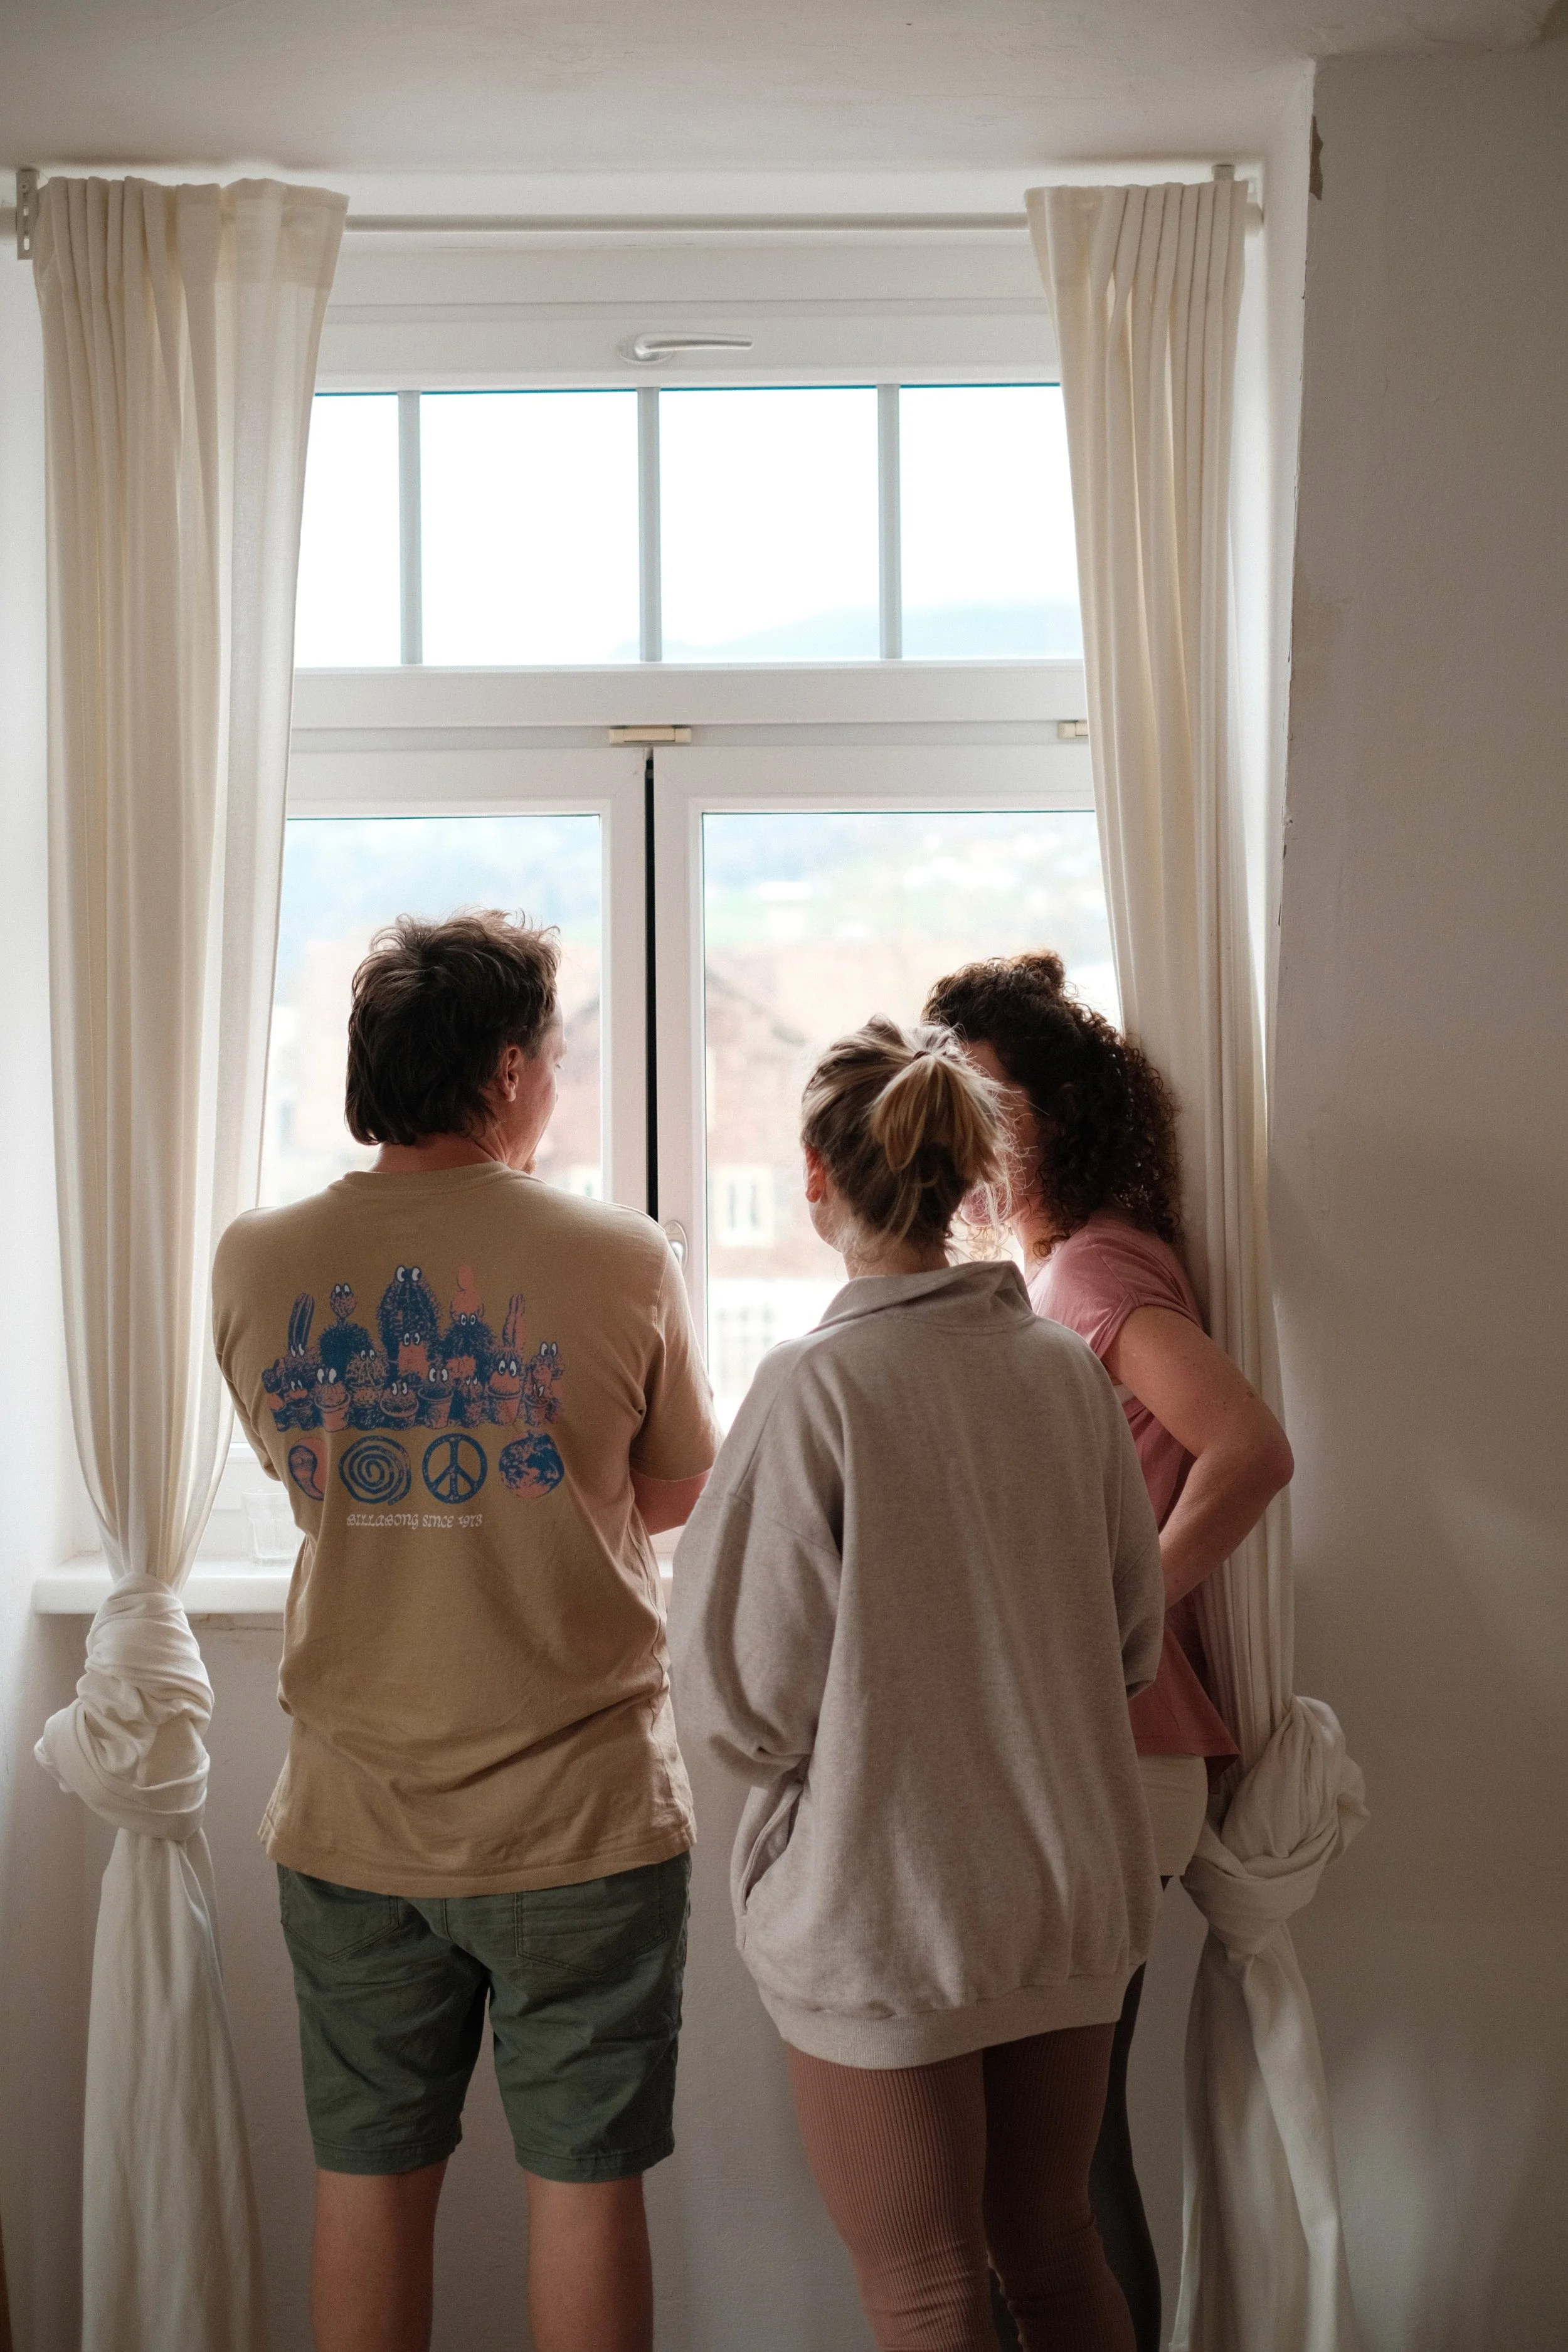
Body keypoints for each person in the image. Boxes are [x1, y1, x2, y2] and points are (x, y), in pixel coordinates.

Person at [213, 911, 718, 2352]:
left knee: (368, 2184)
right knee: (585, 2187)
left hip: (353, 1813)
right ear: (505, 1071)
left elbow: (308, 1475)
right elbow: (671, 1492)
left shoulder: (258, 1258)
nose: (554, 1082)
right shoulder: (621, 1255)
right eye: (552, 1057)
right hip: (583, 1818)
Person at [669, 1015, 1165, 2352]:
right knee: (1055, 2255)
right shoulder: (1062, 1369)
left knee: (929, 2292)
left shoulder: (814, 1385)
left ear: (815, 1175)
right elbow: (1132, 1640)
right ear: (963, 1180)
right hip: (1061, 1898)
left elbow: (740, 1699)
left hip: (887, 1910)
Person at [923, 950, 1294, 2352]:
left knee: (1052, 2179)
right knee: (1050, 2171)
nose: (964, 1134)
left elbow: (1249, 1449)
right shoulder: (1065, 1266)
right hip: (1106, 1760)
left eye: (990, 1104)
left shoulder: (1087, 1270)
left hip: (1114, 1753)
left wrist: (1113, 1632)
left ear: (1059, 1114)